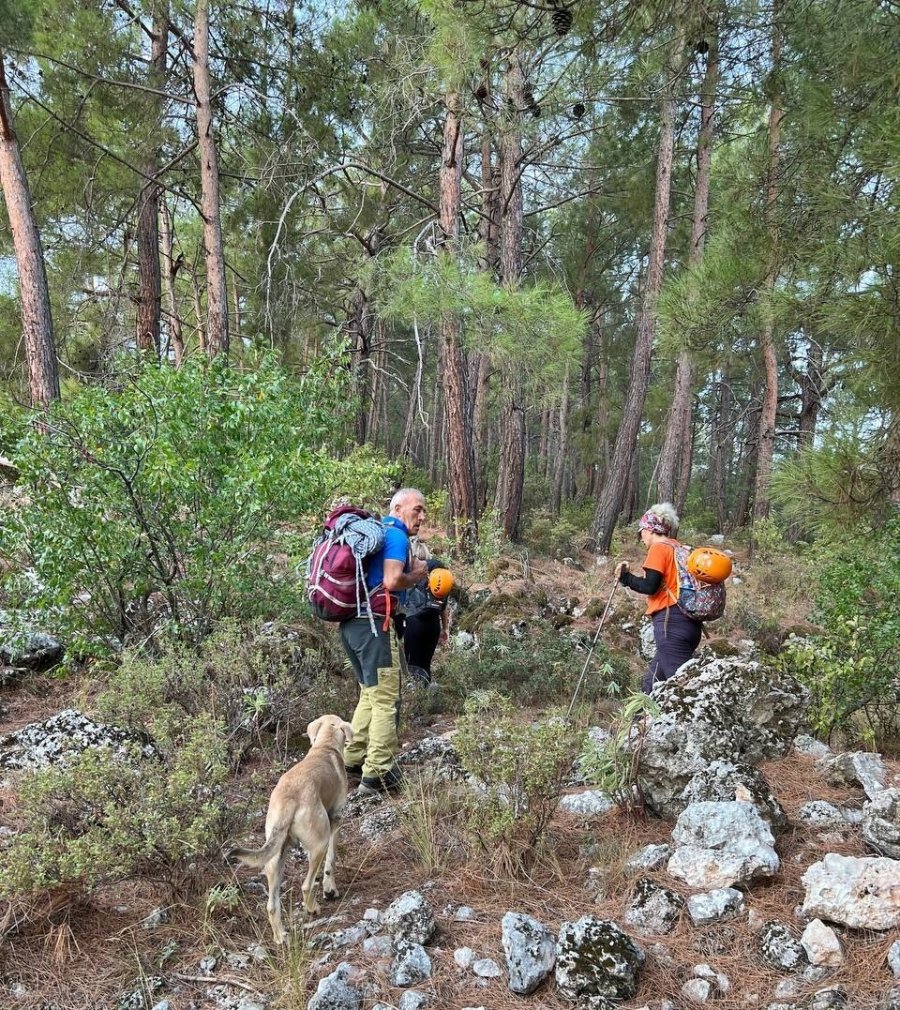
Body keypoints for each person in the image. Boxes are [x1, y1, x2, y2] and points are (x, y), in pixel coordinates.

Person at [340, 488, 428, 794]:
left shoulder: (377, 533)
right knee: (386, 699)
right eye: (417, 509)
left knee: (369, 694)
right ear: (398, 508)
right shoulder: (396, 537)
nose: (422, 516)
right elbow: (392, 581)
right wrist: (417, 574)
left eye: (423, 510)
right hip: (375, 627)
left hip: (351, 625)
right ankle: (378, 773)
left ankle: (351, 760)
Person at [614, 502, 701, 694]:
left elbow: (649, 586)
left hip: (671, 625)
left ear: (650, 529)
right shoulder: (680, 548)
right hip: (691, 625)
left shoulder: (659, 548)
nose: (641, 537)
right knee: (652, 683)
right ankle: (639, 722)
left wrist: (625, 578)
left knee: (682, 690)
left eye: (642, 531)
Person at [403, 537, 452, 686]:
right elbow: (443, 605)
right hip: (433, 626)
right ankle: (424, 698)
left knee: (411, 664)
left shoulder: (413, 571)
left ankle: (413, 699)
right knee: (425, 665)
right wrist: (445, 629)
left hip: (413, 623)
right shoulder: (441, 571)